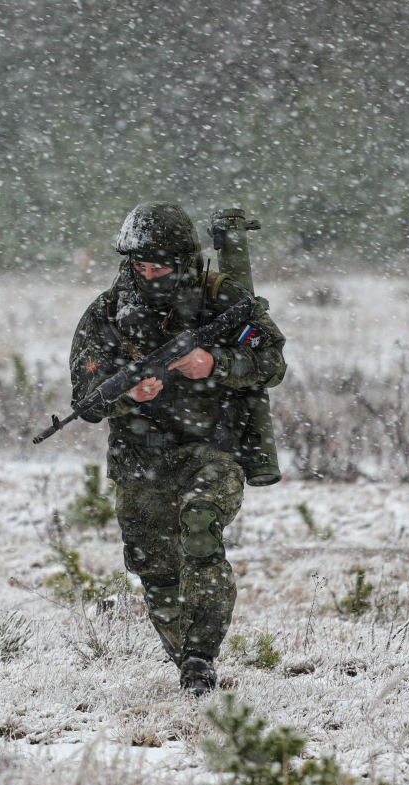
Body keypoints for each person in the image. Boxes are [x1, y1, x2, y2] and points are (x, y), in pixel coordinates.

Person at [68, 202, 287, 695]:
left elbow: (271, 361)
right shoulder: (107, 313)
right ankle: (185, 662)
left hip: (214, 446)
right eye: (139, 267)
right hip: (140, 456)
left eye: (159, 266)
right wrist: (124, 395)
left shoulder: (222, 301)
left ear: (183, 259)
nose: (148, 276)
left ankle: (200, 654)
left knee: (200, 529)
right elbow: (85, 396)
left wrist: (216, 362)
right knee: (154, 566)